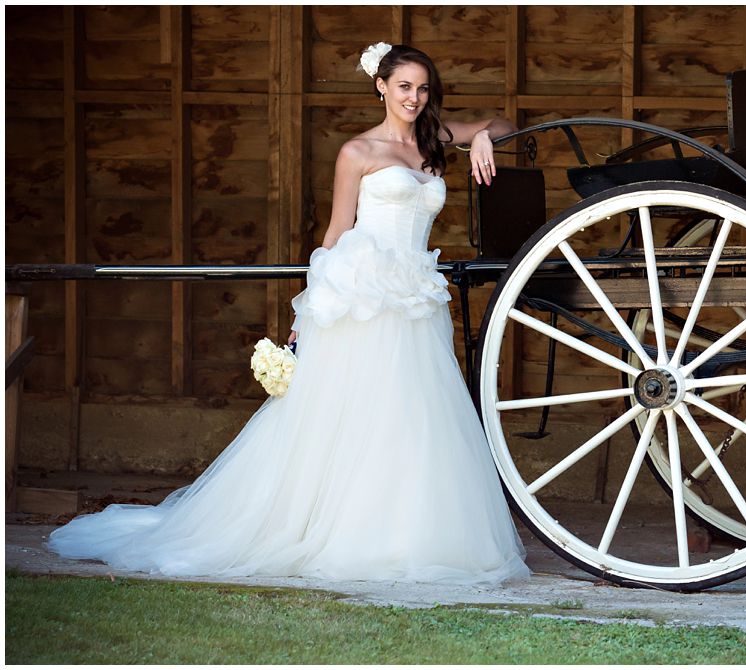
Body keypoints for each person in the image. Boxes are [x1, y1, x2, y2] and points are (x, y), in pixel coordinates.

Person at [47, 43, 530, 586]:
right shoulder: (358, 151)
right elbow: (335, 233)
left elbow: (506, 122)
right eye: (403, 87)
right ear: (380, 87)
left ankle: (403, 534)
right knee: (350, 415)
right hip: (362, 294)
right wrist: (311, 308)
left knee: (415, 414)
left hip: (415, 295)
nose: (414, 98)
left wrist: (484, 135)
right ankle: (336, 531)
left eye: (422, 89)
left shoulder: (434, 138)